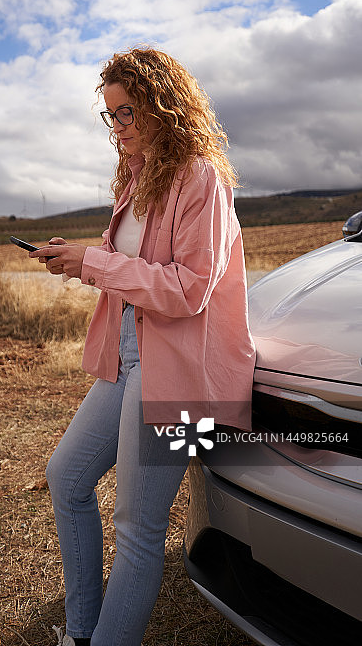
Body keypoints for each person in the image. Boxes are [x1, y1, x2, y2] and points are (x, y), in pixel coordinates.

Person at [29, 47, 256, 646]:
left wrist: (96, 262)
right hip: (130, 352)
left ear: (164, 102)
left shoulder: (201, 176)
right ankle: (81, 631)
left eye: (127, 112)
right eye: (110, 116)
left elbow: (188, 290)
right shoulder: (137, 176)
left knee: (137, 526)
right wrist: (78, 261)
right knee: (67, 477)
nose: (119, 128)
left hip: (185, 373)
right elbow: (128, 266)